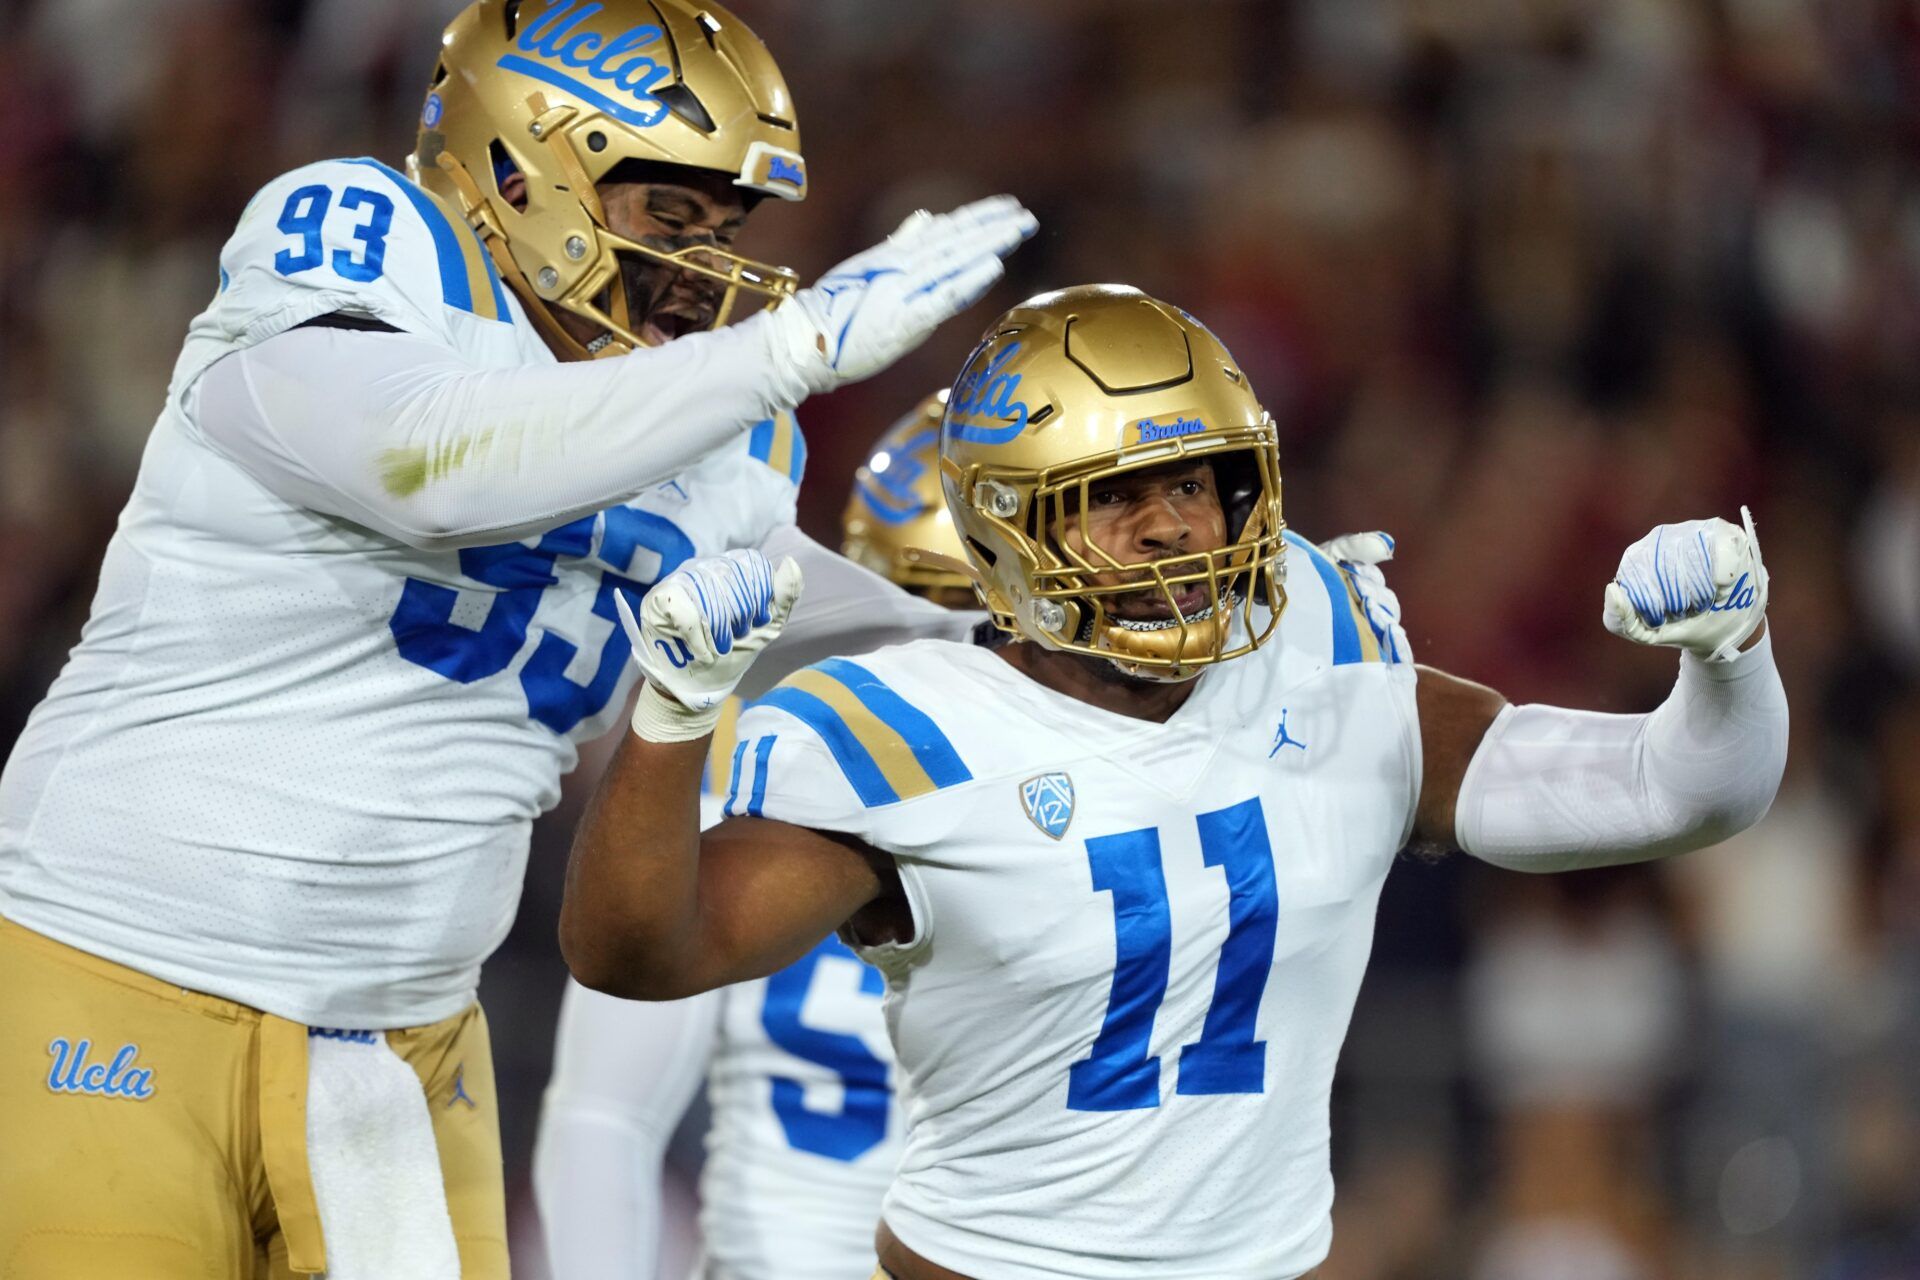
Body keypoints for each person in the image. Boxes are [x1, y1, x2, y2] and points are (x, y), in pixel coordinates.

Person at [0, 0, 1033, 1273]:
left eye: (723, 229)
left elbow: (803, 612)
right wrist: (793, 346)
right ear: (518, 162)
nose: (701, 269)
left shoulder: (716, 417)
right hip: (115, 971)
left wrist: (1043, 625)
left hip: (408, 1041)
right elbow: (427, 458)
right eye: (668, 216)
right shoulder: (369, 247)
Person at [559, 284, 1791, 1280]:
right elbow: (639, 953)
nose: (1171, 528)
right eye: (1112, 497)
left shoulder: (1332, 679)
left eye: (1193, 480)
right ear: (1003, 530)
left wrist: (1730, 657)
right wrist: (674, 714)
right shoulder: (906, 731)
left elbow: (1679, 791)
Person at [535, 393, 968, 1280]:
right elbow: (605, 1114)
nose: (966, 647)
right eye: (936, 607)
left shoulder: (1117, 787)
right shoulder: (750, 771)